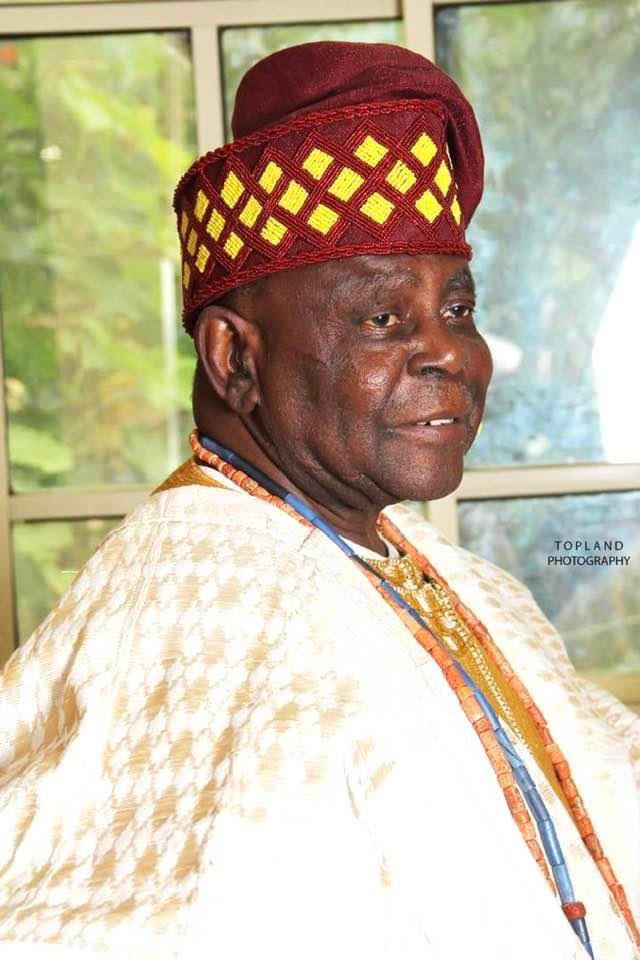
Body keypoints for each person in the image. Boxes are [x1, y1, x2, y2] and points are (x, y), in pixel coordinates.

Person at [0, 41, 638, 960]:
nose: (449, 353)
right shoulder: (196, 616)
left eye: (458, 309)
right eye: (383, 318)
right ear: (235, 359)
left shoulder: (451, 576)